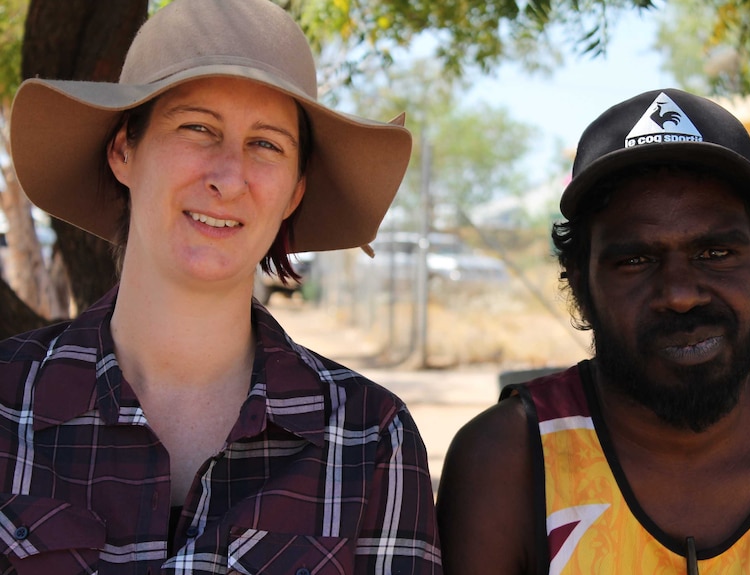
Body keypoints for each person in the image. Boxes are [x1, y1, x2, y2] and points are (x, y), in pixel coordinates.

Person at [0, 0, 440, 573]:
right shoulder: (8, 401)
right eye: (197, 127)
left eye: (266, 144)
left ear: (296, 191)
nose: (229, 177)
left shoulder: (371, 440)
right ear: (123, 151)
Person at [436, 88, 750, 574]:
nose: (680, 294)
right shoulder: (509, 460)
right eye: (635, 261)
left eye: (716, 253)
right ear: (579, 283)